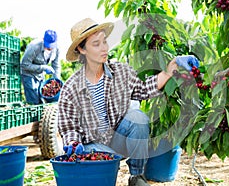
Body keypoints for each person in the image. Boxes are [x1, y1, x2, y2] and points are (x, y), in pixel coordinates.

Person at [58, 18, 199, 186]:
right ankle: (104, 172)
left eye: (104, 41)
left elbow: (144, 89)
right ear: (82, 49)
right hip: (93, 147)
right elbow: (69, 128)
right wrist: (74, 144)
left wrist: (169, 70)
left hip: (118, 138)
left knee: (138, 118)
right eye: (96, 44)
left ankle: (136, 176)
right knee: (96, 164)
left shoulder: (120, 72)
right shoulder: (71, 88)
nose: (104, 48)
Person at [20, 30, 61, 105]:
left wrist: (57, 82)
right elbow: (24, 65)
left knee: (42, 100)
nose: (50, 48)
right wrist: (43, 67)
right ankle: (33, 116)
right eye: (48, 45)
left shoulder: (56, 50)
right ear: (43, 39)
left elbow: (56, 66)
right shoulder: (34, 47)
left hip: (40, 75)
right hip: (28, 74)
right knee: (34, 100)